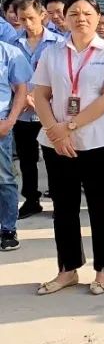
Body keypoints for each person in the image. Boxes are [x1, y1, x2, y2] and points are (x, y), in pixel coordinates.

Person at [32, 0, 104, 296]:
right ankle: (68, 269)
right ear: (65, 17)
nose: (80, 18)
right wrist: (55, 131)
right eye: (74, 13)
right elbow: (40, 94)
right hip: (57, 143)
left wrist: (70, 126)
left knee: (100, 205)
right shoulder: (52, 53)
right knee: (64, 207)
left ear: (98, 17)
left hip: (98, 141)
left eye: (87, 13)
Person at [12, 0, 64, 219]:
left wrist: (37, 96)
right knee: (27, 159)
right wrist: (23, 97)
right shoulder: (13, 44)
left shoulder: (58, 43)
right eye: (22, 19)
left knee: (55, 157)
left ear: (42, 15)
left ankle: (59, 200)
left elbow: (63, 75)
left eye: (31, 18)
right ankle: (31, 200)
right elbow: (8, 74)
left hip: (51, 110)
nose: (27, 23)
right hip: (23, 112)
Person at [0, 34, 32, 251]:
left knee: (4, 179)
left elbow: (21, 88)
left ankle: (8, 229)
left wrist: (10, 121)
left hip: (0, 124)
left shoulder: (9, 52)